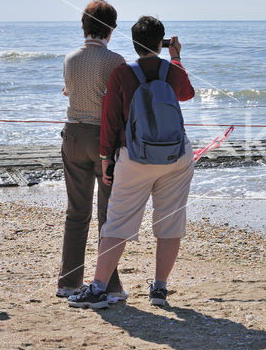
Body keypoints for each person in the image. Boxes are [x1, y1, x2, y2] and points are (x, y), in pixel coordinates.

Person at [68, 16, 195, 309]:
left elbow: (111, 120)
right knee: (170, 221)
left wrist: (105, 159)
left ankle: (99, 289)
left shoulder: (123, 73)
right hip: (176, 155)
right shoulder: (171, 70)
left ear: (134, 43)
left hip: (134, 157)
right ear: (161, 42)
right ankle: (159, 289)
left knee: (118, 222)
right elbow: (187, 93)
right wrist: (176, 57)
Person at [57, 0, 127, 304]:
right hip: (102, 139)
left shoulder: (70, 59)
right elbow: (121, 103)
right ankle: (109, 285)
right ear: (110, 29)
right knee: (108, 215)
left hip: (72, 134)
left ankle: (68, 282)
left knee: (77, 212)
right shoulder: (115, 61)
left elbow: (69, 92)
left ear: (84, 26)